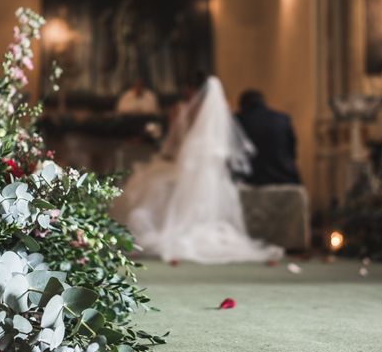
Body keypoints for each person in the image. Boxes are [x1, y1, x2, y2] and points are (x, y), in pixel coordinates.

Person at [120, 76, 283, 264]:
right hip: (214, 180)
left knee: (151, 184)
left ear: (192, 90)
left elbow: (171, 149)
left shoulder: (182, 111)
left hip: (189, 174)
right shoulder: (220, 116)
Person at [235, 89, 301, 185]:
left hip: (250, 178)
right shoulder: (282, 119)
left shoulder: (236, 121)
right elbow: (292, 151)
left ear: (242, 105)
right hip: (283, 177)